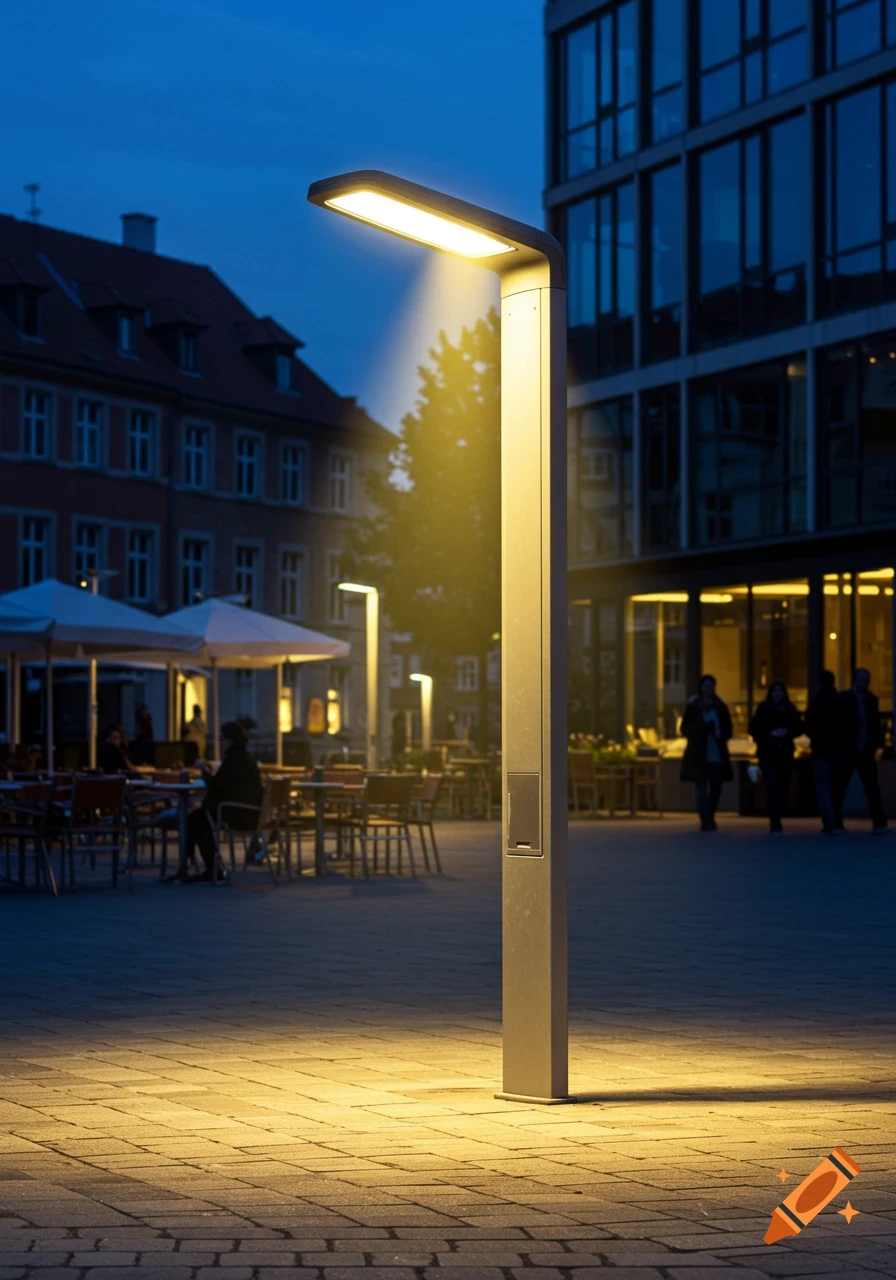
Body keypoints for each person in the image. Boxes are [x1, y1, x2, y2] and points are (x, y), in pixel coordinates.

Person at [180, 720, 262, 884]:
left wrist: (203, 769)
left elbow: (215, 785)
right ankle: (203, 866)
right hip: (248, 812)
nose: (221, 743)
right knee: (199, 817)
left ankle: (205, 867)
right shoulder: (244, 757)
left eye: (222, 739)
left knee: (197, 819)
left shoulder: (234, 759)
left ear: (230, 740)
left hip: (238, 814)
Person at [749, 681, 803, 835]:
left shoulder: (790, 709)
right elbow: (754, 728)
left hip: (784, 753)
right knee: (773, 786)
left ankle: (778, 814)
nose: (778, 694)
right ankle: (775, 821)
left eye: (780, 691)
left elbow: (799, 727)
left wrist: (787, 732)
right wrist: (770, 735)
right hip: (768, 753)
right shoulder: (763, 709)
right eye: (775, 691)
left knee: (783, 785)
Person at [839, 668, 889, 834]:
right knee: (841, 787)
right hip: (849, 749)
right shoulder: (846, 698)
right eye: (862, 680)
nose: (864, 683)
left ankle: (879, 822)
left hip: (865, 749)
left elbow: (874, 724)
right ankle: (836, 822)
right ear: (855, 680)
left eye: (866, 680)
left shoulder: (871, 700)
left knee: (872, 788)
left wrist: (875, 744)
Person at [680, 674, 733, 832]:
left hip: (716, 751)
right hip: (699, 752)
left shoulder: (720, 706)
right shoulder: (693, 706)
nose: (708, 688)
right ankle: (706, 819)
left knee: (716, 786)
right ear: (701, 687)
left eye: (710, 685)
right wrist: (702, 728)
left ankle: (709, 814)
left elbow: (728, 729)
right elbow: (685, 728)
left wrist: (721, 734)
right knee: (701, 787)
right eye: (705, 685)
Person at [805, 670, 847, 834]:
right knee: (837, 788)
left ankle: (828, 822)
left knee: (823, 788)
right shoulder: (840, 701)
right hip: (838, 750)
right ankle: (837, 820)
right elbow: (848, 725)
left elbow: (808, 726)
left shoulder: (816, 702)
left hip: (821, 750)